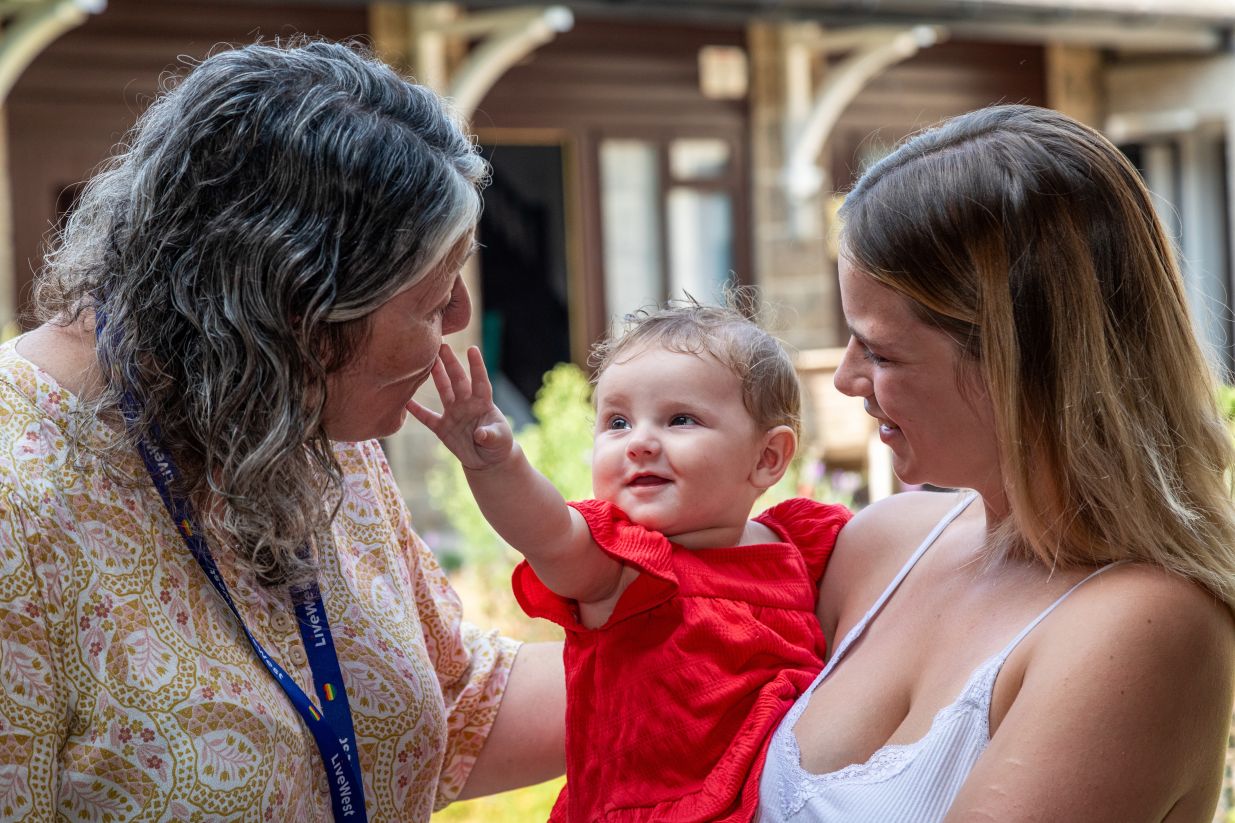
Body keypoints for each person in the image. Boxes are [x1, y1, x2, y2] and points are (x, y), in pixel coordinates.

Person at [0, 39, 565, 822]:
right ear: (296, 307)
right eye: (434, 299)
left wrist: (738, 628)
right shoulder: (17, 500)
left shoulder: (295, 412)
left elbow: (451, 703)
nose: (464, 318)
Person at [757, 104, 1235, 822]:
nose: (847, 379)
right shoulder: (883, 543)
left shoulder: (1141, 626)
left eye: (880, 351)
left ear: (1021, 369)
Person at [412, 300, 852, 821]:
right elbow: (548, 534)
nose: (640, 442)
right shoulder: (622, 569)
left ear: (768, 457)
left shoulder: (800, 546)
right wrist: (495, 464)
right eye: (617, 422)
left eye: (680, 419)